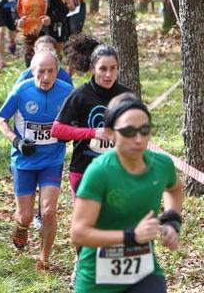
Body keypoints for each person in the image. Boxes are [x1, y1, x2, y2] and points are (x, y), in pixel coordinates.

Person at [71, 93, 183, 293]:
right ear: (110, 133)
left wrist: (171, 220)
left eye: (145, 130)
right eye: (129, 131)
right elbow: (79, 233)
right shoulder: (99, 172)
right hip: (97, 278)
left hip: (144, 272)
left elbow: (174, 188)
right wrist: (131, 236)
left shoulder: (161, 165)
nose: (139, 139)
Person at [0, 50, 73, 271]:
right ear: (32, 71)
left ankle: (44, 258)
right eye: (41, 72)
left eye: (51, 72)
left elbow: (77, 119)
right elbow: (1, 120)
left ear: (58, 71)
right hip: (24, 162)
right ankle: (21, 225)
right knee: (26, 215)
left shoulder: (67, 91)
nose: (46, 77)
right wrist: (17, 141)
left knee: (48, 211)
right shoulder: (22, 90)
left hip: (52, 159)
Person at [51, 43, 130, 200]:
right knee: (87, 223)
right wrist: (93, 133)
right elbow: (57, 130)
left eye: (113, 68)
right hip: (84, 170)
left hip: (117, 170)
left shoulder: (126, 95)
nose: (108, 74)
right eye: (103, 69)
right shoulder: (80, 95)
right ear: (93, 69)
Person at [16, 0, 68, 67]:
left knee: (44, 63)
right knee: (30, 65)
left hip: (44, 33)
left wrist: (51, 19)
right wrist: (17, 21)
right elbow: (15, 11)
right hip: (28, 34)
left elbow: (64, 10)